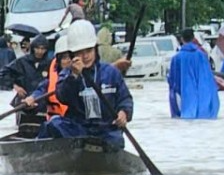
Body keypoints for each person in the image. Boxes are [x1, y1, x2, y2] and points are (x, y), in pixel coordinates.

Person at [41, 20, 133, 149]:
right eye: (80, 52)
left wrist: (124, 113)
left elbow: (125, 98)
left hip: (106, 130)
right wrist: (74, 76)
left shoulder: (111, 72)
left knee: (116, 140)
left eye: (89, 50)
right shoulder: (67, 74)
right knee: (54, 123)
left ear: (95, 49)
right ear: (73, 54)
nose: (85, 56)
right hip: (78, 128)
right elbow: (62, 96)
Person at [1, 33, 53, 137]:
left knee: (42, 131)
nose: (40, 51)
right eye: (37, 48)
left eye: (43, 49)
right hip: (24, 102)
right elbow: (3, 73)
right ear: (33, 48)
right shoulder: (22, 62)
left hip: (42, 103)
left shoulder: (50, 63)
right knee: (24, 130)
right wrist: (15, 86)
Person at [168, 29, 220, 119]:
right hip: (203, 97)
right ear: (193, 38)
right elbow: (208, 78)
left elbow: (173, 81)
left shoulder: (177, 58)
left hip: (184, 98)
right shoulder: (202, 55)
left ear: (181, 39)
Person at [24, 35, 71, 121]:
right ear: (58, 60)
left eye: (71, 57)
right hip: (55, 119)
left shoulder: (83, 76)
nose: (68, 61)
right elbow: (42, 89)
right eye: (64, 58)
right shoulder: (53, 74)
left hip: (75, 120)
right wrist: (33, 98)